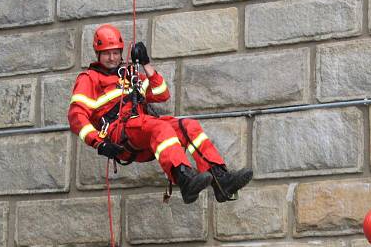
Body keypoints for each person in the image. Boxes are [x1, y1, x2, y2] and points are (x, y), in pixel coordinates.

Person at [68, 24, 252, 204]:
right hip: (118, 132)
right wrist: (100, 144)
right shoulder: (89, 78)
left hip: (142, 127)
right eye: (107, 53)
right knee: (160, 126)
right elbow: (76, 117)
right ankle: (183, 178)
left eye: (116, 52)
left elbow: (161, 93)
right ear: (97, 53)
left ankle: (221, 180)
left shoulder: (129, 75)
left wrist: (146, 64)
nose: (112, 57)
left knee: (188, 126)